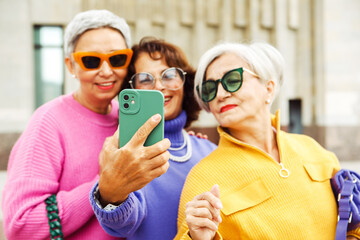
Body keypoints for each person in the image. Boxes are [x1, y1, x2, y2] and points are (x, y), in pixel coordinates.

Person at [174, 42, 360, 240]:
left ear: (268, 88)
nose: (220, 94)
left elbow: (352, 224)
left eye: (233, 79)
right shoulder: (203, 178)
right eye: (210, 88)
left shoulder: (313, 150)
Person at [1, 9, 133, 239]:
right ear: (71, 66)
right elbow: (21, 225)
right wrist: (102, 188)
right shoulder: (48, 122)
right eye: (91, 61)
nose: (106, 71)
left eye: (117, 59)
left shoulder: (128, 118)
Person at [89, 37, 217, 240]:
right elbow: (123, 223)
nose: (159, 85)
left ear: (185, 83)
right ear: (132, 91)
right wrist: (111, 195)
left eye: (169, 75)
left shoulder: (210, 151)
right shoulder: (127, 153)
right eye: (145, 79)